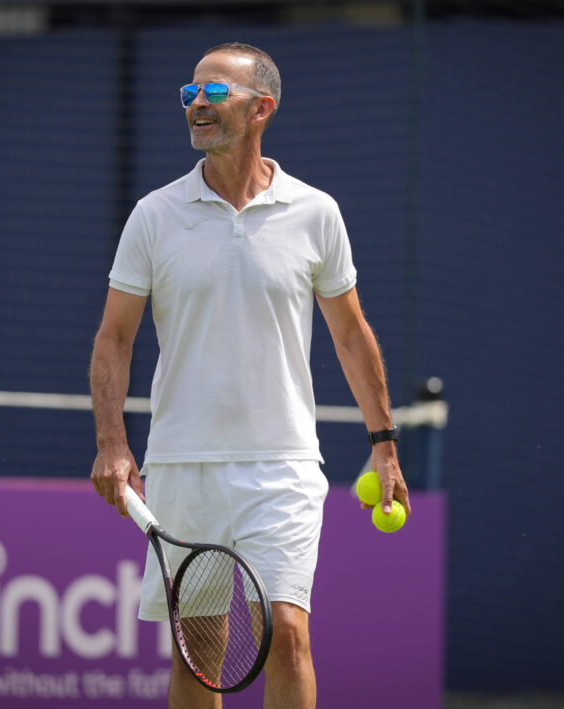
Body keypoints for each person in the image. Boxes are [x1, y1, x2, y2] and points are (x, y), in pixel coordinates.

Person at [89, 42, 409, 709]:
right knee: (200, 656)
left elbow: (351, 334)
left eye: (214, 94)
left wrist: (384, 440)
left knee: (288, 635)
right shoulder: (153, 216)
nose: (196, 105)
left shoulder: (316, 213)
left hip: (283, 466)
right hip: (184, 465)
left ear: (261, 108)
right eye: (189, 94)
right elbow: (114, 338)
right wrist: (112, 442)